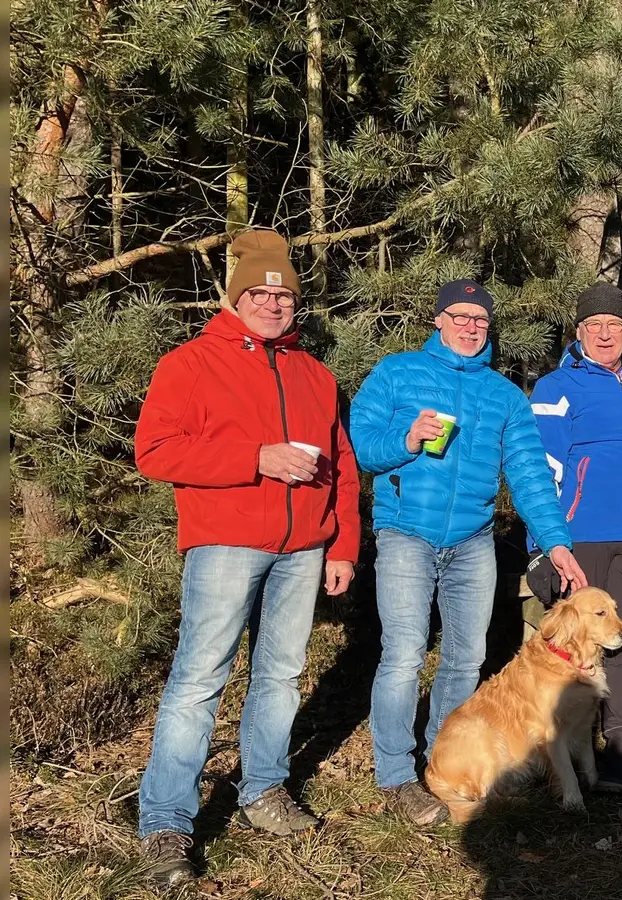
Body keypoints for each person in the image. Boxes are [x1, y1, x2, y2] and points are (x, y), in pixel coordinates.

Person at [133, 229, 361, 886]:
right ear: (236, 296)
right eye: (260, 292)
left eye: (283, 293)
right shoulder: (190, 364)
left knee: (281, 676)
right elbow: (155, 452)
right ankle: (168, 821)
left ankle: (262, 789)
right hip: (226, 543)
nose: (272, 301)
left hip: (303, 551)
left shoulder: (314, 374)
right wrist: (252, 460)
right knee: (199, 680)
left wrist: (341, 545)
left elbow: (342, 468)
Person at [348, 279, 586, 827]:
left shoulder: (503, 395)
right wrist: (405, 441)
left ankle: (442, 758)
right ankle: (395, 775)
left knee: (464, 658)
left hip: (473, 540)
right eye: (460, 316)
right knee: (405, 654)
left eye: (480, 319)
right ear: (439, 320)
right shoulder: (397, 372)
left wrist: (557, 544)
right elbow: (360, 447)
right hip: (406, 530)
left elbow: (529, 475)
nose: (471, 326)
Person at [526, 282, 622, 791]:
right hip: (579, 538)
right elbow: (540, 469)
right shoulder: (556, 387)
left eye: (614, 325)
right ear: (579, 333)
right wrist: (542, 546)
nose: (605, 333)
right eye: (595, 326)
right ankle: (560, 759)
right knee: (568, 648)